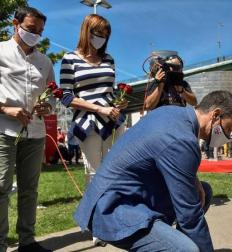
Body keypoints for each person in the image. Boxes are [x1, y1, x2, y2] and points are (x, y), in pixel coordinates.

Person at [74, 91, 232, 252]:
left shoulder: (172, 113)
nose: (228, 135)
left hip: (121, 196)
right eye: (229, 128)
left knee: (202, 191)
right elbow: (190, 216)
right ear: (215, 114)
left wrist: (193, 179)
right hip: (111, 210)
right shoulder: (182, 140)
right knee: (186, 249)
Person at [59, 14, 127, 246]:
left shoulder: (108, 59)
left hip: (113, 121)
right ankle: (97, 223)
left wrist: (118, 103)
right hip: (88, 123)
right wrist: (98, 109)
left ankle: (111, 216)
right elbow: (66, 97)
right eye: (97, 33)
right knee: (94, 173)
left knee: (115, 171)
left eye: (105, 34)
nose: (101, 38)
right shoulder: (70, 59)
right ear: (86, 31)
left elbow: (112, 90)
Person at [0, 7, 54, 252]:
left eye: (40, 32)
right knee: (1, 187)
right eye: (31, 30)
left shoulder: (45, 61)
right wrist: (5, 109)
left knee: (29, 189)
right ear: (15, 24)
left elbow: (53, 96)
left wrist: (48, 106)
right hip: (4, 131)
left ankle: (27, 242)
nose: (36, 36)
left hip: (35, 132)